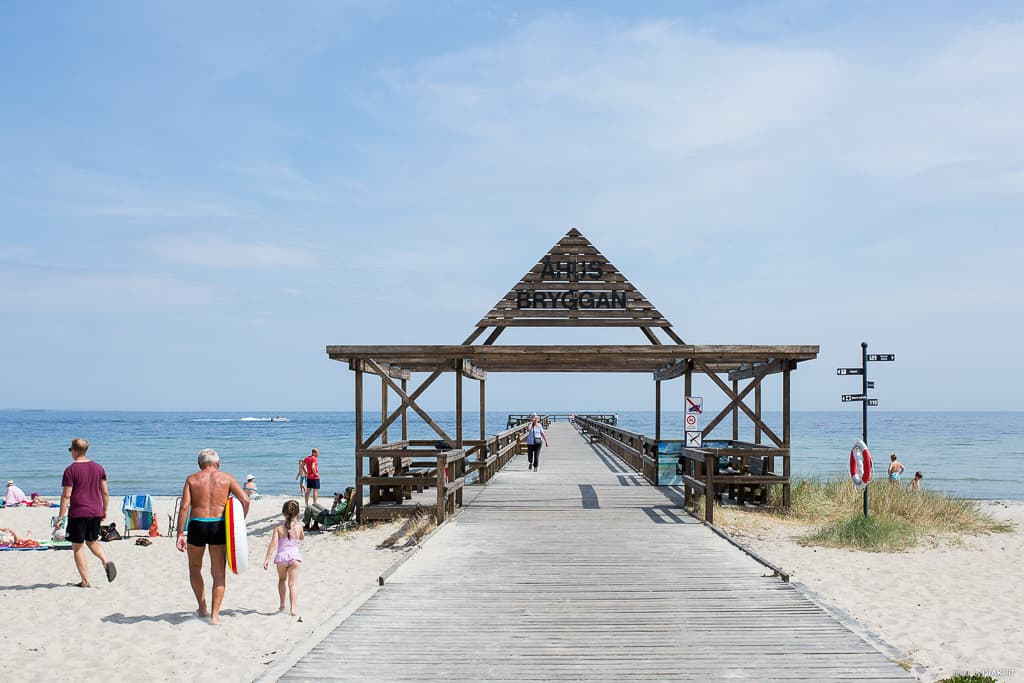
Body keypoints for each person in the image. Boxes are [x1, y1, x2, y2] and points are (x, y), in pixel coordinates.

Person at [175, 448, 249, 625]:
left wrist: (179, 534)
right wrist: (238, 524)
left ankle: (202, 608)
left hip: (197, 526)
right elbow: (245, 500)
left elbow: (185, 506)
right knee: (218, 572)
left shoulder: (192, 479)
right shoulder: (227, 478)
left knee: (194, 568)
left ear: (200, 464)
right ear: (218, 463)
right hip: (218, 526)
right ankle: (214, 616)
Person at [56, 438, 117, 588]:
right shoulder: (98, 468)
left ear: (75, 451)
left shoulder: (70, 470)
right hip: (95, 511)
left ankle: (85, 581)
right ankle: (105, 561)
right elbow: (105, 492)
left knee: (77, 546)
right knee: (92, 541)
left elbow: (66, 496)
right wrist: (104, 510)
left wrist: (60, 517)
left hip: (78, 513)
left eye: (71, 450)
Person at [263, 500, 304, 616]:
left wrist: (267, 559)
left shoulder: (278, 529)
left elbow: (273, 544)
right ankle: (293, 609)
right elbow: (301, 538)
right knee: (293, 584)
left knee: (282, 580)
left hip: (281, 558)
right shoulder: (299, 527)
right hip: (295, 557)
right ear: (297, 513)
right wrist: (295, 526)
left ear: (283, 513)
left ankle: (282, 604)